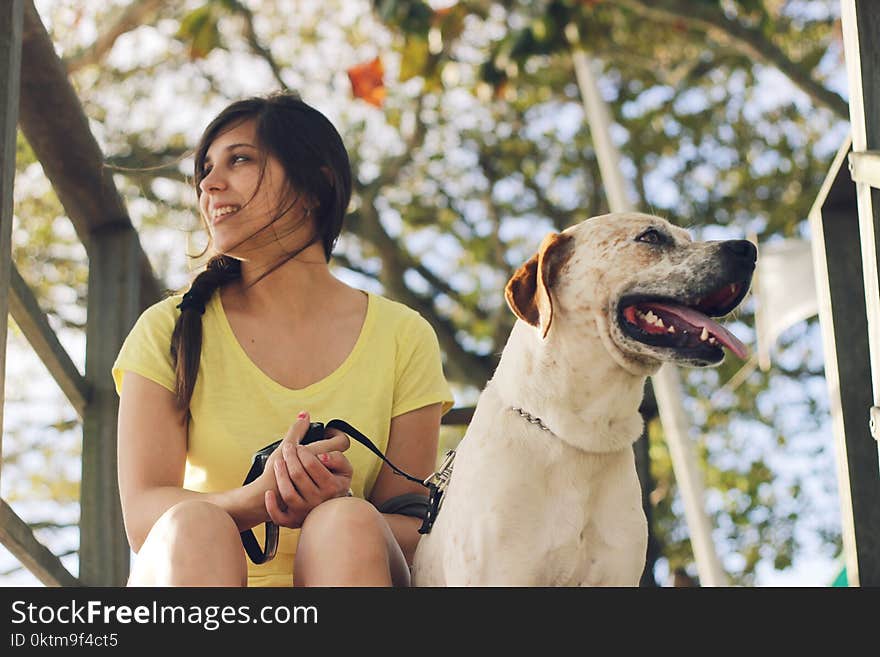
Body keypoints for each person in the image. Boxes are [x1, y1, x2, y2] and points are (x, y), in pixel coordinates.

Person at [113, 91, 454, 587]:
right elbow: (143, 518)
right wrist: (258, 499)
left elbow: (416, 529)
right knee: (194, 524)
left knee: (346, 523)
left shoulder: (404, 336)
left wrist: (332, 503)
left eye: (240, 159)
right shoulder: (167, 329)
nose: (209, 184)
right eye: (205, 169)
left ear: (317, 183)